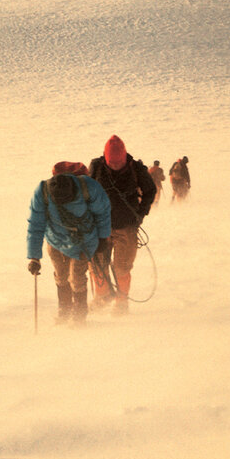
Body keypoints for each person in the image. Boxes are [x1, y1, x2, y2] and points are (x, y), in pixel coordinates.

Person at [26, 162, 112, 323]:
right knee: (61, 276)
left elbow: (103, 213)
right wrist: (34, 257)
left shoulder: (89, 188)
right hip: (55, 241)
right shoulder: (42, 192)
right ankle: (64, 310)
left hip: (84, 241)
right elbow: (35, 225)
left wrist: (102, 238)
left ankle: (79, 316)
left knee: (77, 278)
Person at [88, 135, 156, 313]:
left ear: (125, 157)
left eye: (119, 162)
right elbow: (87, 194)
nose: (116, 166)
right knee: (96, 264)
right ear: (105, 158)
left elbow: (150, 190)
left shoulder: (137, 168)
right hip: (100, 227)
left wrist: (140, 214)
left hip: (126, 226)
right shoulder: (96, 167)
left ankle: (121, 301)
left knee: (122, 267)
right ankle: (102, 296)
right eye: (113, 163)